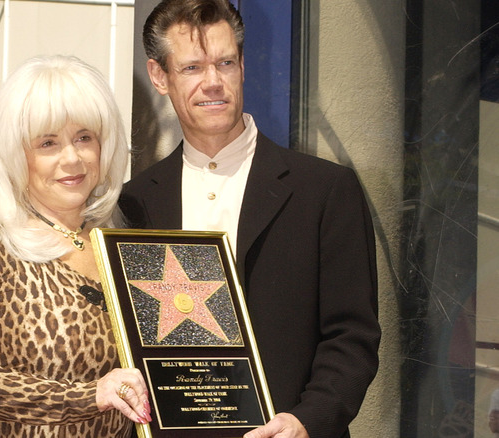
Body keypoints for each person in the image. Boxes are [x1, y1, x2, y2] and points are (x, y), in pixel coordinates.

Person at [119, 1, 381, 437]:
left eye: (225, 63)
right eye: (192, 68)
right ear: (159, 77)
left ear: (242, 64)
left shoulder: (326, 190)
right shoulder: (135, 203)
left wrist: (306, 421)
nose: (213, 83)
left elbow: (353, 337)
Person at [0, 54, 151, 438]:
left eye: (84, 137)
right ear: (18, 155)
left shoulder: (123, 245)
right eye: (48, 143)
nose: (72, 158)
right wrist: (85, 397)